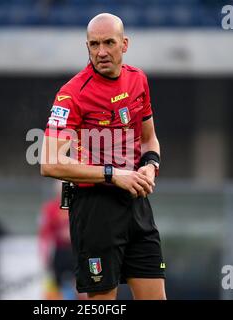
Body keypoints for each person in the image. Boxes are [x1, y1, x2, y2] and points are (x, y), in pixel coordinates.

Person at [40, 13, 166, 300]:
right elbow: (49, 162)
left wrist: (150, 165)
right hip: (95, 209)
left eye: (109, 43)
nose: (101, 52)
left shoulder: (138, 80)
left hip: (136, 203)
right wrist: (112, 174)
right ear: (87, 47)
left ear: (124, 44)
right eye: (94, 44)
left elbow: (149, 138)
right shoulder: (71, 94)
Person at [38, 181, 77, 300]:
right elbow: (45, 233)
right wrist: (44, 255)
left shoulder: (77, 206)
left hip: (76, 251)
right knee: (56, 286)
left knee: (79, 286)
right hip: (60, 252)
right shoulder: (50, 208)